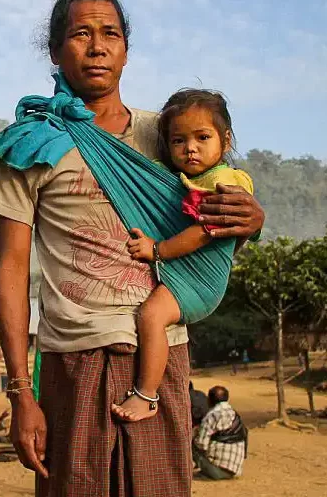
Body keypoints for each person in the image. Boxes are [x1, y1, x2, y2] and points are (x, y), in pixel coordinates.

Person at [0, 0, 265, 497]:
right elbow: (11, 268)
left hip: (161, 359)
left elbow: (221, 209)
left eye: (110, 34)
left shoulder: (171, 134)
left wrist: (254, 218)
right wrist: (21, 391)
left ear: (127, 50)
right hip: (72, 363)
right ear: (55, 50)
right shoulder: (28, 145)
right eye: (81, 34)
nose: (97, 47)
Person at [112, 90, 254, 422]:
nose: (190, 148)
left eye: (202, 137)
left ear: (226, 140)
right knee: (150, 316)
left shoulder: (224, 181)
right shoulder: (178, 176)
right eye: (179, 140)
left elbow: (205, 231)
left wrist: (156, 249)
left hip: (199, 279)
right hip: (181, 271)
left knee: (151, 316)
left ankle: (146, 395)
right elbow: (148, 176)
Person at [193, 385, 247, 480]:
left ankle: (200, 470)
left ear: (210, 400)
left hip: (217, 472)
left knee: (190, 442)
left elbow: (201, 444)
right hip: (235, 470)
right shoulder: (234, 413)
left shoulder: (212, 415)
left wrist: (195, 434)